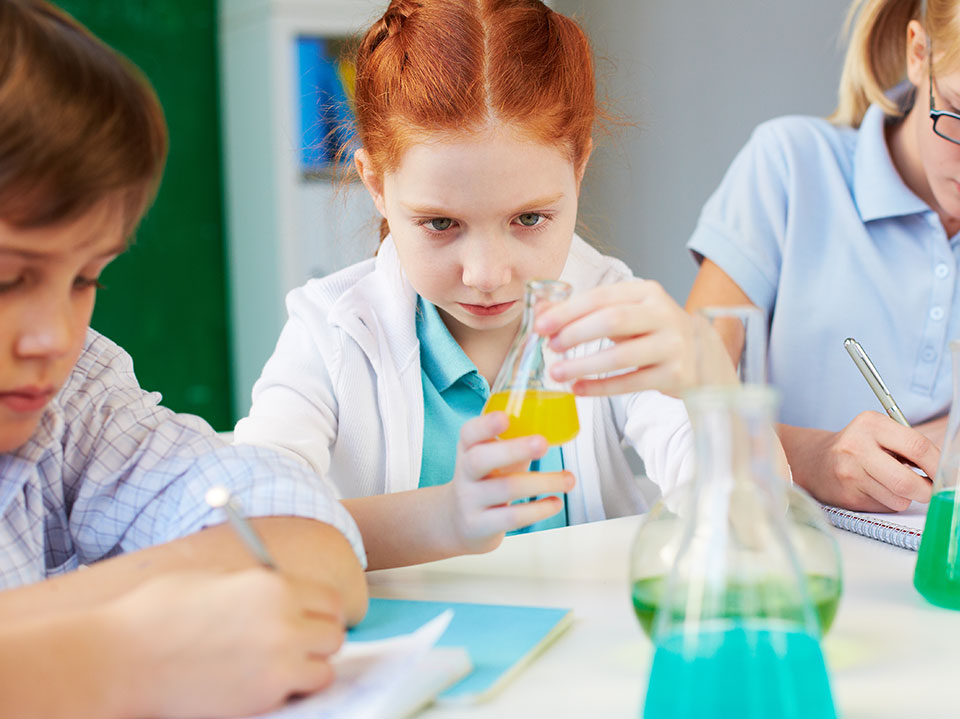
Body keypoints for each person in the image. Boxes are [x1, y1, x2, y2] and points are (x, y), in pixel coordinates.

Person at [235, 0, 737, 570]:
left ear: (578, 169)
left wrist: (714, 388)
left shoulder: (611, 316)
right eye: (441, 224)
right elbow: (252, 528)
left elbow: (746, 525)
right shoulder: (330, 334)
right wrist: (444, 518)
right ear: (375, 183)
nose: (487, 274)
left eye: (528, 220)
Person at [0, 1, 367, 716]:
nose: (54, 335)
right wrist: (108, 656)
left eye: (86, 279)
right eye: (9, 278)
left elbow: (305, 534)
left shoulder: (70, 396)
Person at [684, 0, 960, 512]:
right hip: (779, 556)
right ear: (920, 53)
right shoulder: (789, 168)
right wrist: (814, 458)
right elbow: (680, 404)